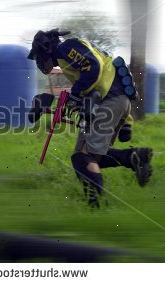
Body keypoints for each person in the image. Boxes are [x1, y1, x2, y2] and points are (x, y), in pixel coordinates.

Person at [27, 29, 153, 208]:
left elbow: (93, 67)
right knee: (92, 156)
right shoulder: (67, 56)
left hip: (109, 101)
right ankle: (134, 157)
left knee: (83, 158)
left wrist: (76, 94)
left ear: (46, 49)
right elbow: (98, 73)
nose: (38, 61)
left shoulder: (66, 48)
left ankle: (96, 206)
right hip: (115, 101)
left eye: (38, 55)